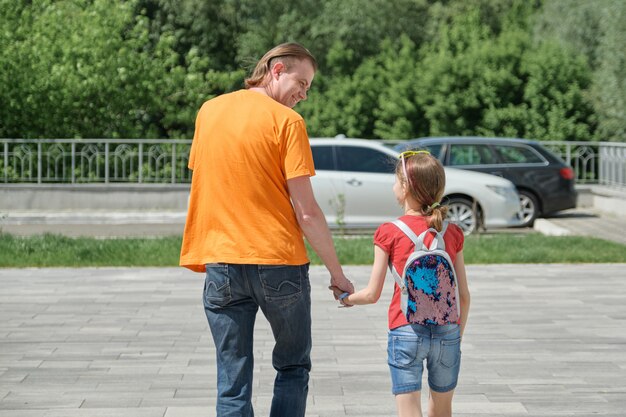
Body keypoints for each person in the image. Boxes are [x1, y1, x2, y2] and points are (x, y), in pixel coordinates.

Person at [179, 42, 354, 417]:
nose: (304, 95)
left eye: (308, 88)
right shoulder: (287, 122)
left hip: (222, 263)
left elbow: (207, 182)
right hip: (279, 263)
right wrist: (337, 274)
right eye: (301, 82)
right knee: (292, 366)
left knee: (231, 380)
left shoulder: (209, 111)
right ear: (276, 69)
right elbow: (306, 212)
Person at [336, 151, 470, 417]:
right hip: (448, 331)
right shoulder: (452, 232)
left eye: (396, 180)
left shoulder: (389, 231)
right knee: (442, 411)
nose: (393, 186)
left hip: (405, 329)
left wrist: (345, 298)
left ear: (407, 186)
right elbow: (463, 296)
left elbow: (372, 294)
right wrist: (455, 337)